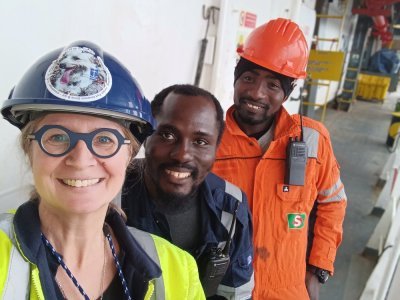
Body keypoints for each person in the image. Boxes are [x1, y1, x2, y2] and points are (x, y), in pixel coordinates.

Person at [0, 41, 205, 299]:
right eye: (58, 137)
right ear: (30, 152)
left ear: (129, 156)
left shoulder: (178, 270)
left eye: (105, 140)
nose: (81, 159)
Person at [212, 18, 347, 299]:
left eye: (273, 85)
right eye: (249, 78)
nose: (256, 93)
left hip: (288, 290)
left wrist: (319, 268)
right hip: (225, 290)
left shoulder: (313, 140)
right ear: (236, 78)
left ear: (287, 92)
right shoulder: (211, 139)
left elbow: (333, 203)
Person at [121, 84, 254, 299]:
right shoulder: (110, 196)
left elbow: (235, 293)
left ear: (215, 149)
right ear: (146, 137)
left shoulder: (231, 206)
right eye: (167, 135)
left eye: (200, 141)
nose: (182, 155)